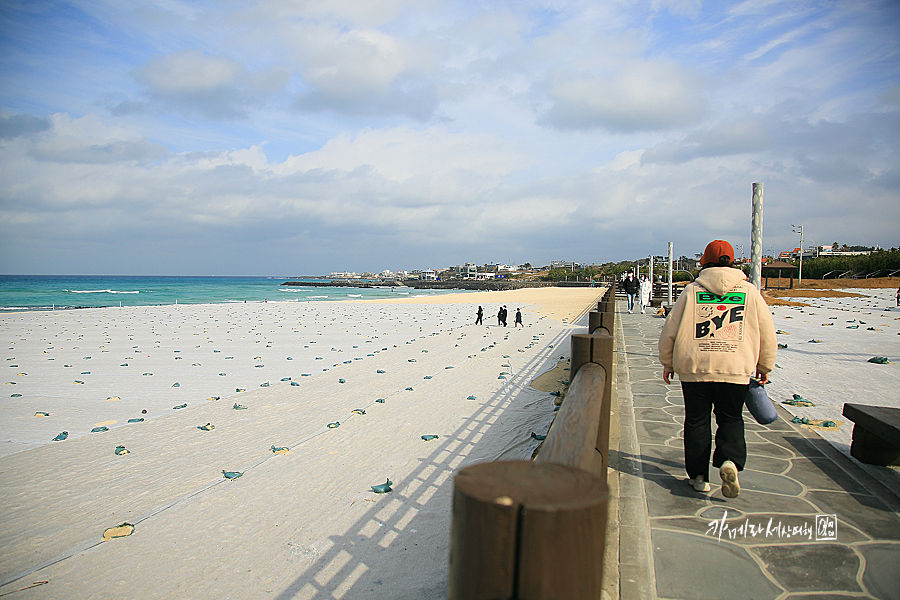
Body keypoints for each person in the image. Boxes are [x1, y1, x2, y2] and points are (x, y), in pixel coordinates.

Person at [658, 240, 777, 498]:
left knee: (697, 421)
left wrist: (667, 362)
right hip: (736, 369)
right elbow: (767, 332)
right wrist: (765, 365)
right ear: (732, 262)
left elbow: (671, 329)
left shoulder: (691, 291)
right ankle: (729, 461)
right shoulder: (749, 292)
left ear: (704, 262)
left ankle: (699, 477)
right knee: (731, 418)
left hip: (695, 368)